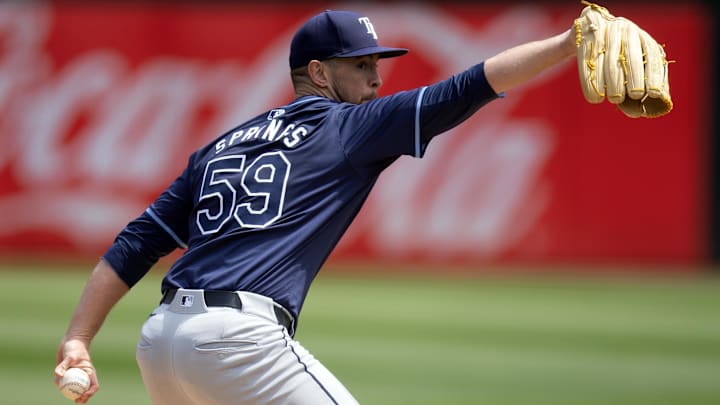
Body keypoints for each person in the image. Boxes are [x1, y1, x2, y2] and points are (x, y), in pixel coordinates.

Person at [54, 8, 576, 405]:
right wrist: (567, 41)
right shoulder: (349, 126)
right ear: (320, 74)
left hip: (160, 342)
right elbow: (468, 87)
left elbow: (135, 245)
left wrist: (78, 337)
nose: (377, 78)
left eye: (377, 64)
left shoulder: (222, 145)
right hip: (237, 342)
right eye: (362, 65)